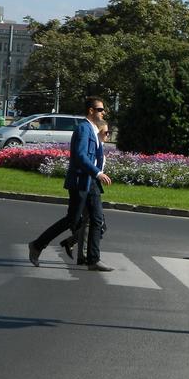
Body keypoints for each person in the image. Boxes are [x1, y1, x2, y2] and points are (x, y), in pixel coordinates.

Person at [28, 97, 113, 271]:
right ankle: (37, 245)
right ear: (90, 111)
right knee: (71, 219)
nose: (103, 112)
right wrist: (98, 172)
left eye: (103, 109)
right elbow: (80, 156)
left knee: (97, 220)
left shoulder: (94, 131)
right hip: (80, 181)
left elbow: (95, 157)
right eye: (100, 109)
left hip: (92, 182)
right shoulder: (83, 129)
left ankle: (93, 260)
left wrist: (97, 174)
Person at [66, 120, 109, 265]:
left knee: (94, 221)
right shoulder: (88, 135)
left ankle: (87, 255)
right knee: (82, 220)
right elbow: (82, 158)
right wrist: (98, 174)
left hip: (92, 185)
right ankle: (82, 254)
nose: (108, 135)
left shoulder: (100, 147)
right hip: (84, 184)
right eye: (105, 132)